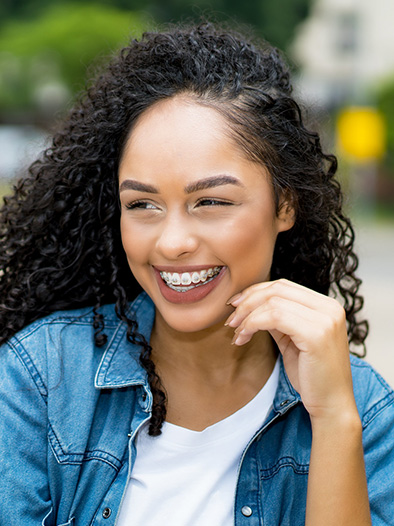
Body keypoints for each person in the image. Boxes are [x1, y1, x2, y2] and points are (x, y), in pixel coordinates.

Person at [0, 22, 393, 526]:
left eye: (210, 201)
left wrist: (336, 421)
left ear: (285, 204)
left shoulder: (365, 409)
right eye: (142, 204)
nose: (172, 242)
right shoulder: (42, 378)